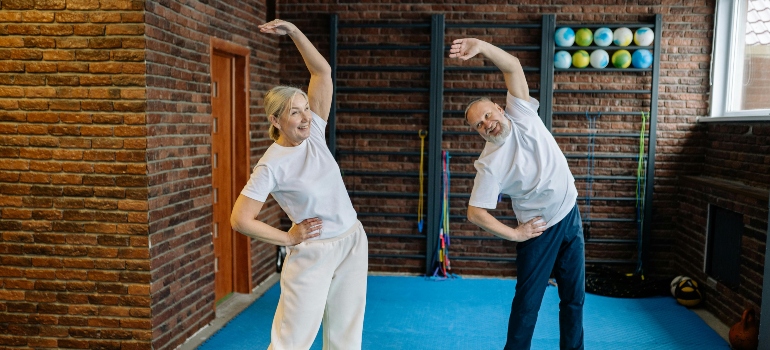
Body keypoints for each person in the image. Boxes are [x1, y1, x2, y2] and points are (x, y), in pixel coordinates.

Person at [230, 19, 368, 350]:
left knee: (346, 340)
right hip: (313, 253)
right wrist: (288, 238)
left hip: (351, 242)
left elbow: (322, 73)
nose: (306, 116)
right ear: (276, 120)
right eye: (295, 112)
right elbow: (240, 219)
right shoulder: (271, 165)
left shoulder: (314, 133)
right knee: (291, 342)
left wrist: (293, 32)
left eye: (306, 108)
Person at [450, 38, 585, 350]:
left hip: (570, 215)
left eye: (487, 115)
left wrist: (480, 46)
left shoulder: (522, 113)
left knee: (574, 299)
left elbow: (511, 65)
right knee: (528, 305)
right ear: (478, 133)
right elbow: (475, 212)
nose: (487, 124)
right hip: (538, 231)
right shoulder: (489, 163)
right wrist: (516, 234)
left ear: (500, 108)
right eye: (479, 125)